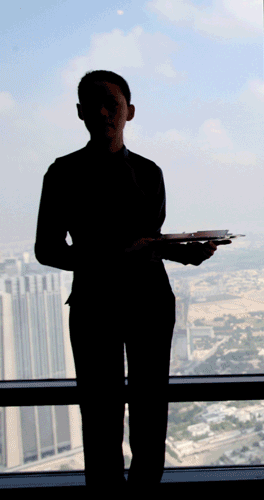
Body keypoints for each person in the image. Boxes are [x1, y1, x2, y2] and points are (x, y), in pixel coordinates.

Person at [34, 70, 228, 496]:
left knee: (148, 412)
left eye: (112, 104)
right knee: (102, 415)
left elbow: (149, 244)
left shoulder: (149, 172)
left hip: (148, 303)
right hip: (97, 306)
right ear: (81, 112)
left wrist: (184, 252)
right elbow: (46, 250)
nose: (103, 112)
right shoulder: (62, 173)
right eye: (94, 104)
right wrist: (122, 253)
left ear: (130, 112)